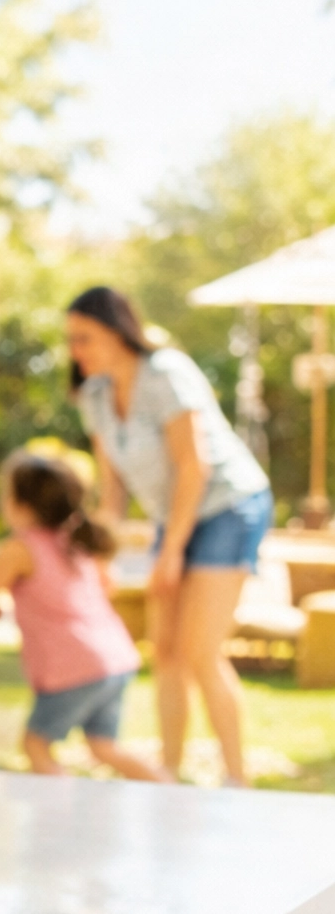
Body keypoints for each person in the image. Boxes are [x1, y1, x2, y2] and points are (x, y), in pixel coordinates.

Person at [65, 285, 273, 787]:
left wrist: (171, 551)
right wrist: (100, 557)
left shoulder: (166, 374)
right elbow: (113, 491)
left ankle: (237, 780)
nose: (74, 350)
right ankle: (170, 776)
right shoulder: (94, 396)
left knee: (200, 650)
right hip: (174, 517)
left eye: (84, 338)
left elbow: (193, 467)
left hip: (227, 506)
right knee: (166, 651)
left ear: (117, 332)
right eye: (70, 340)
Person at [0, 451, 161, 781]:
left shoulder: (20, 549)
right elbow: (104, 587)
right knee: (104, 747)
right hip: (114, 659)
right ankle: (171, 790)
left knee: (36, 745)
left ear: (21, 504)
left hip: (74, 666)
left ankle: (64, 809)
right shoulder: (75, 542)